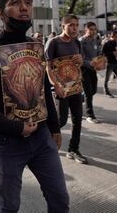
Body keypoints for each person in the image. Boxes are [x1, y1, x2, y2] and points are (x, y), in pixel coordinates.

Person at [0, 0, 69, 212]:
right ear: (1, 13)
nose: (24, 7)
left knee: (60, 199)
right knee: (10, 206)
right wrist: (13, 127)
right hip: (7, 142)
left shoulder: (35, 46)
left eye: (28, 2)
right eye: (15, 2)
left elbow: (42, 87)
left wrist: (54, 127)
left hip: (42, 138)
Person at [45, 14, 87, 164]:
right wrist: (56, 86)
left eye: (76, 25)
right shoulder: (53, 43)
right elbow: (48, 67)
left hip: (75, 88)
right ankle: (45, 144)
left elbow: (79, 63)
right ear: (63, 26)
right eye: (71, 25)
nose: (75, 28)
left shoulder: (77, 42)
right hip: (60, 89)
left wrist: (81, 60)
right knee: (60, 121)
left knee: (78, 120)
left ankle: (73, 150)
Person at [80, 22, 102, 124]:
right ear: (86, 30)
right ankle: (90, 115)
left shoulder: (95, 40)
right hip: (84, 70)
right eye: (91, 29)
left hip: (93, 69)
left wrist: (100, 61)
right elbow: (81, 58)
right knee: (89, 93)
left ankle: (79, 99)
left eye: (95, 29)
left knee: (93, 91)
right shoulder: (81, 41)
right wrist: (90, 63)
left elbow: (98, 53)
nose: (93, 31)